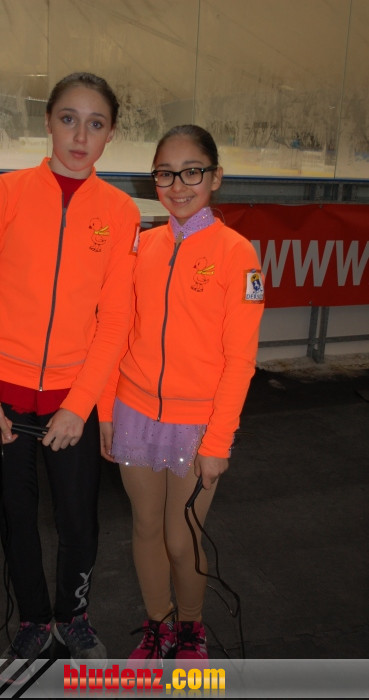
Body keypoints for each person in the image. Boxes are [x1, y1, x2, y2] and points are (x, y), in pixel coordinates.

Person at [0, 72, 140, 667]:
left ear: (110, 133)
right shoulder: (4, 194)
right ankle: (34, 618)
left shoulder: (120, 212)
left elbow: (115, 321)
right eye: (68, 119)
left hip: (71, 401)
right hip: (2, 400)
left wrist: (80, 405)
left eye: (95, 123)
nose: (80, 136)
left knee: (79, 520)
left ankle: (73, 615)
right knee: (16, 517)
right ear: (48, 122)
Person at [99, 124, 264, 661]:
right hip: (133, 410)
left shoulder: (238, 254)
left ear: (216, 177)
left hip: (198, 424)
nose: (178, 185)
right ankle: (159, 627)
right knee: (145, 528)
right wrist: (105, 409)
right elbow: (115, 333)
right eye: (165, 174)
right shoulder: (141, 246)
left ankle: (191, 629)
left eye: (192, 172)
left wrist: (218, 441)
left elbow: (241, 362)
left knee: (181, 537)